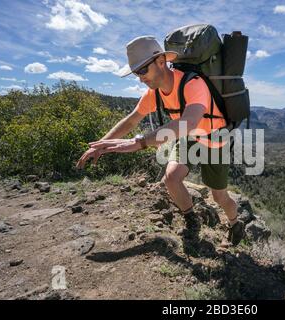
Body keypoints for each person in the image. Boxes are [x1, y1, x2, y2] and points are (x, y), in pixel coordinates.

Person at [76, 36, 245, 246]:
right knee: (171, 178)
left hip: (214, 140)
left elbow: (189, 122)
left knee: (220, 197)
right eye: (137, 73)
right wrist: (100, 145)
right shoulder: (153, 94)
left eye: (142, 71)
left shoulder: (193, 83)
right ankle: (192, 221)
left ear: (161, 62)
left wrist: (141, 142)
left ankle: (235, 223)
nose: (140, 78)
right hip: (190, 138)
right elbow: (130, 121)